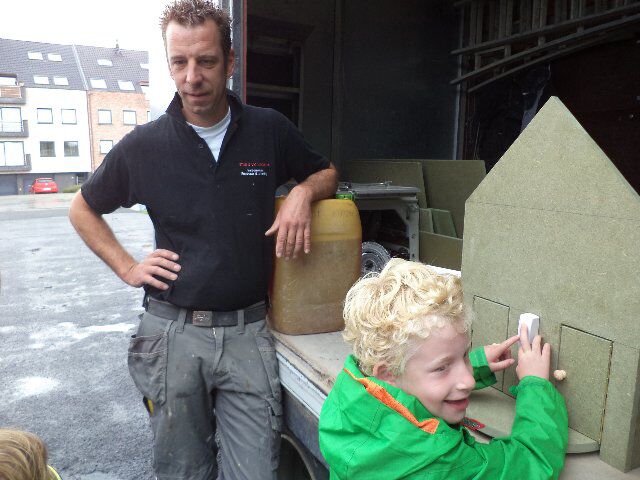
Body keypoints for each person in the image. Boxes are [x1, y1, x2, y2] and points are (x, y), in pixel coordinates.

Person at [68, 0, 338, 478]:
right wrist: (128, 267)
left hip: (248, 332)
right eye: (179, 62)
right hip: (173, 334)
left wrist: (302, 192)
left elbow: (327, 173)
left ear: (230, 62)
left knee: (255, 472)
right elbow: (82, 208)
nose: (192, 77)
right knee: (183, 472)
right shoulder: (145, 146)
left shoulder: (268, 130)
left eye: (206, 61)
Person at [318, 259, 568, 479]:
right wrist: (535, 385)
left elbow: (416, 378)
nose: (468, 381)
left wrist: (476, 363)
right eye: (442, 368)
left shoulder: (349, 396)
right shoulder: (440, 460)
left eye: (464, 356)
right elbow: (529, 464)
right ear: (388, 374)